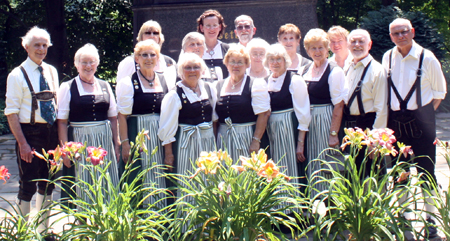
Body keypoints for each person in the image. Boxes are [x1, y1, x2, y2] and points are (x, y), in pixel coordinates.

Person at [382, 18, 446, 237]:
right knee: (400, 175)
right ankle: (404, 219)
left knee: (427, 175)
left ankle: (431, 220)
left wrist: (422, 115)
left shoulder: (427, 58)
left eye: (404, 32)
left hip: (422, 124)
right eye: (395, 33)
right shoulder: (387, 56)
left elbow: (439, 92)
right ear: (390, 36)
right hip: (395, 125)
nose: (400, 36)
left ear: (412, 32)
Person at [5, 26, 59, 230]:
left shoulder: (51, 71)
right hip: (30, 133)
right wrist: (23, 144)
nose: (41, 49)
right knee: (27, 183)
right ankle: (22, 231)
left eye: (45, 45)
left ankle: (44, 230)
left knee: (49, 183)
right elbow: (11, 112)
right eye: (37, 45)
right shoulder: (17, 75)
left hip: (51, 133)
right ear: (26, 46)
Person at [57, 44, 120, 208]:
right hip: (80, 140)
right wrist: (65, 151)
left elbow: (113, 118)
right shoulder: (68, 87)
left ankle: (105, 227)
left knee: (106, 182)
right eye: (84, 62)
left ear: (97, 64)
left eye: (92, 62)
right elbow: (62, 122)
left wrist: (117, 144)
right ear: (76, 64)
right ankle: (83, 227)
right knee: (83, 184)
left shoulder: (105, 85)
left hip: (104, 139)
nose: (88, 66)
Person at [116, 39, 168, 208]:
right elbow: (122, 116)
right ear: (136, 58)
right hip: (137, 133)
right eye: (144, 55)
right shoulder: (128, 82)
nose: (148, 58)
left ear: (157, 58)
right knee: (137, 176)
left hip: (159, 135)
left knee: (159, 175)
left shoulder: (164, 80)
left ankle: (159, 221)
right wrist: (125, 143)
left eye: (152, 55)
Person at [158, 53, 217, 194]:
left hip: (207, 143)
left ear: (202, 70)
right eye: (187, 67)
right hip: (186, 143)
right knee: (188, 181)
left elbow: (214, 118)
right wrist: (169, 154)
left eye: (196, 67)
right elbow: (167, 128)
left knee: (209, 181)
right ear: (180, 72)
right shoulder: (173, 95)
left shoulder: (209, 89)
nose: (192, 71)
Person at [299, 28, 347, 199]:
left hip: (325, 120)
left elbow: (339, 105)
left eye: (321, 47)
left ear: (327, 49)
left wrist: (333, 134)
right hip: (308, 122)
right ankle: (315, 204)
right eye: (313, 48)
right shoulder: (304, 70)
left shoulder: (334, 71)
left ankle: (330, 205)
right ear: (307, 50)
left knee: (326, 163)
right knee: (312, 162)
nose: (317, 52)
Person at [264, 44, 310, 196]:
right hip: (272, 134)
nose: (275, 63)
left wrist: (300, 144)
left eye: (279, 59)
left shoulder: (295, 80)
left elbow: (303, 112)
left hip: (290, 130)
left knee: (291, 167)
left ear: (285, 60)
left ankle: (296, 210)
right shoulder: (265, 81)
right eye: (272, 59)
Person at [344, 29, 388, 178]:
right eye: (353, 41)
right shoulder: (347, 66)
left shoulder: (377, 70)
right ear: (348, 45)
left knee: (372, 175)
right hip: (350, 127)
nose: (357, 45)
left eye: (361, 41)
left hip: (368, 125)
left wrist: (374, 141)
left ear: (369, 45)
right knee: (353, 176)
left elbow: (381, 109)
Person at [215, 45, 271, 162]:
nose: (236, 65)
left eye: (240, 62)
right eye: (232, 62)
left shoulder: (255, 84)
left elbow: (264, 114)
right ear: (226, 64)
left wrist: (256, 141)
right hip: (223, 139)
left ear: (247, 64)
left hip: (247, 137)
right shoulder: (218, 86)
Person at [116, 20, 177, 90]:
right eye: (147, 33)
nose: (152, 36)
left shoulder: (169, 63)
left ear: (160, 38)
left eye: (155, 33)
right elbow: (121, 89)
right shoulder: (129, 62)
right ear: (141, 37)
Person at [197, 9, 230, 81]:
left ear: (220, 27)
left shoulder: (228, 49)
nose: (211, 29)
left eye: (215, 25)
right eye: (208, 25)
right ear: (201, 28)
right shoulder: (195, 49)